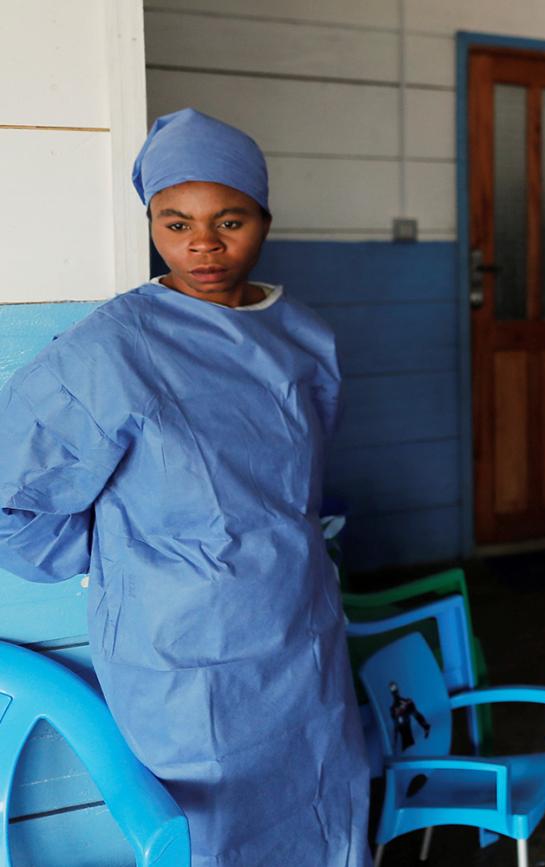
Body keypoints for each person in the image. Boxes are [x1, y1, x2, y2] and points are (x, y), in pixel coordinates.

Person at [0, 108, 371, 866]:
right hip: (185, 654)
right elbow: (13, 496)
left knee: (327, 806)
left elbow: (298, 478)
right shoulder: (114, 348)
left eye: (228, 219)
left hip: (301, 636)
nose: (202, 244)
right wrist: (132, 557)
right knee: (213, 837)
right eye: (175, 223)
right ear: (151, 223)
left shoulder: (303, 336)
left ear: (264, 217)